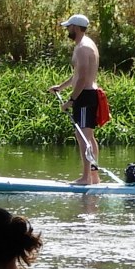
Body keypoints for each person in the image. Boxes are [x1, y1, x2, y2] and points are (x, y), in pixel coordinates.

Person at [47, 14, 108, 185]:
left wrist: (71, 101)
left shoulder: (82, 48)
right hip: (89, 94)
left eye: (68, 27)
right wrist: (61, 86)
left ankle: (85, 178)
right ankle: (94, 177)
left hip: (85, 96)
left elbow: (81, 79)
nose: (67, 29)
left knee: (83, 137)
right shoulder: (88, 44)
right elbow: (78, 75)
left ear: (75, 27)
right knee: (88, 136)